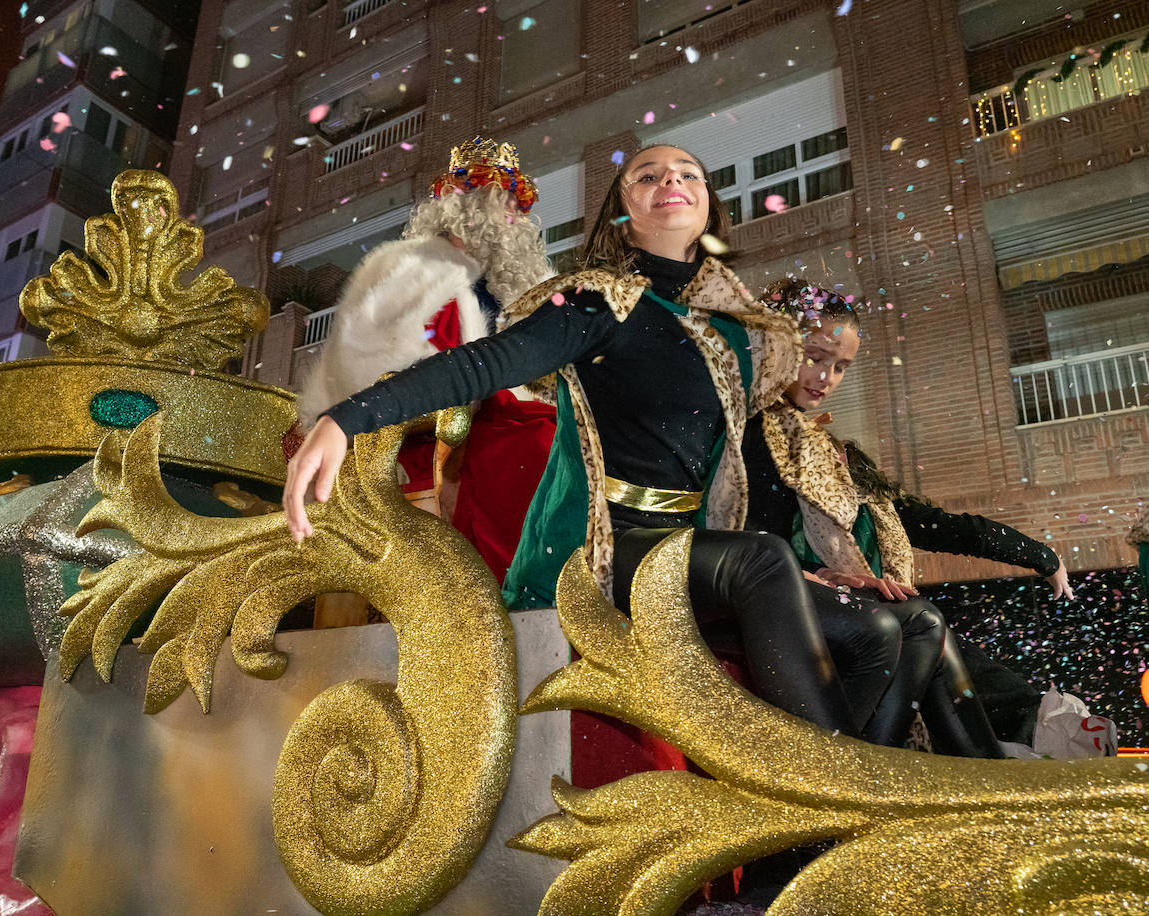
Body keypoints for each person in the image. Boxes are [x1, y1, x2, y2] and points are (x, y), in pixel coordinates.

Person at [286, 144, 892, 739]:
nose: (670, 180)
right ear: (621, 216)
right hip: (602, 549)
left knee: (897, 631)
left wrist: (820, 568)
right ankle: (838, 789)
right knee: (761, 561)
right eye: (647, 175)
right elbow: (481, 363)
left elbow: (747, 466)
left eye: (689, 174)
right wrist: (347, 417)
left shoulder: (735, 336)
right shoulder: (599, 304)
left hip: (687, 546)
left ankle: (851, 812)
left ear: (709, 206)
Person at [748, 279, 1075, 756]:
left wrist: (1038, 555)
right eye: (814, 357)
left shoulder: (839, 456)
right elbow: (744, 535)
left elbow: (932, 523)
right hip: (800, 610)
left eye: (841, 367)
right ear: (777, 345)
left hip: (866, 607)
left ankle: (1001, 769)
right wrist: (822, 575)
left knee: (940, 642)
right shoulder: (754, 433)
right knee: (923, 627)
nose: (827, 378)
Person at [295, 137, 555, 581]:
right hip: (431, 427)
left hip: (504, 410)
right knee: (537, 446)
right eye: (497, 203)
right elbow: (376, 362)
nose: (508, 218)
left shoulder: (529, 283)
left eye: (514, 208)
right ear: (459, 209)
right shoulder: (409, 269)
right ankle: (520, 586)